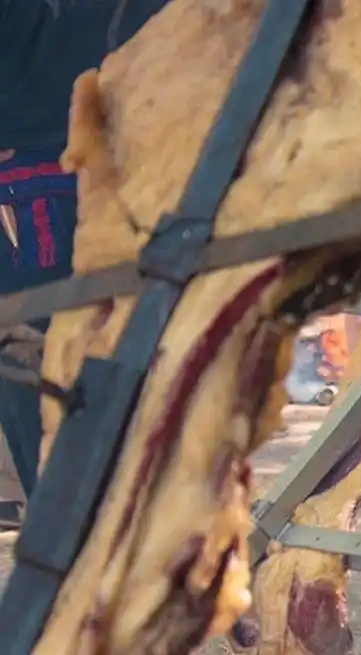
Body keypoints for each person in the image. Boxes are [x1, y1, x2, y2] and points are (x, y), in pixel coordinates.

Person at [0, 0, 172, 524]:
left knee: (52, 356)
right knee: (38, 358)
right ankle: (73, 534)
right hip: (55, 179)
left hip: (93, 178)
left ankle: (85, 535)